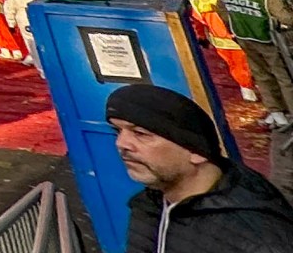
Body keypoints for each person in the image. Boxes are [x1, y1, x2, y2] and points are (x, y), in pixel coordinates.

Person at [106, 82, 293, 251]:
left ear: (196, 152)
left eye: (140, 133)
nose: (121, 143)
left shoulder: (257, 238)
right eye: (117, 131)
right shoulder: (149, 206)